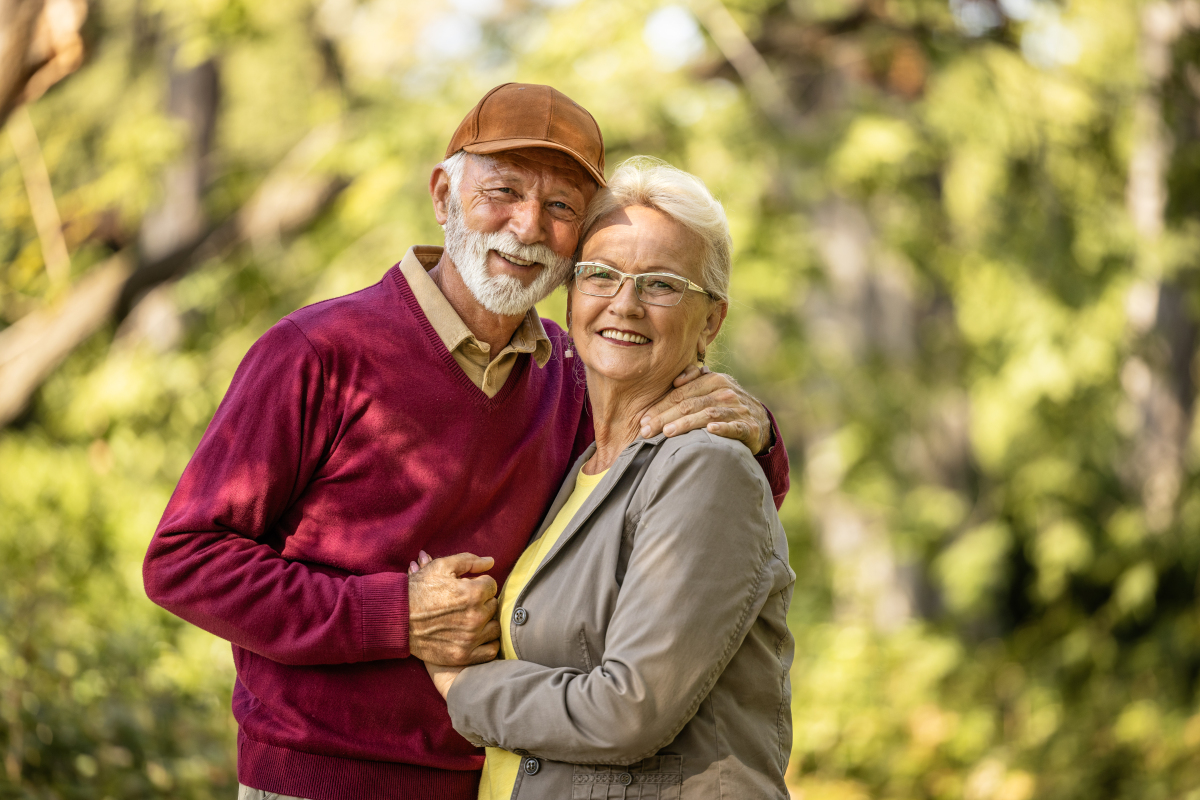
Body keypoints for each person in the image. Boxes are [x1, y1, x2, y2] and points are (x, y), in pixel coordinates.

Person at [142, 84, 790, 800]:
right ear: (444, 193)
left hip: (496, 775)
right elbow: (183, 561)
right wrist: (394, 615)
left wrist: (754, 434)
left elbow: (695, 519)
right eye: (502, 192)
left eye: (561, 207)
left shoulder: (581, 375)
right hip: (320, 780)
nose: (527, 226)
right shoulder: (317, 352)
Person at [423, 157, 795, 799]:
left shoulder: (705, 468)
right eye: (600, 274)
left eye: (661, 285)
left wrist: (462, 684)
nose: (625, 304)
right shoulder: (580, 467)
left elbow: (628, 712)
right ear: (570, 291)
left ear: (711, 321)